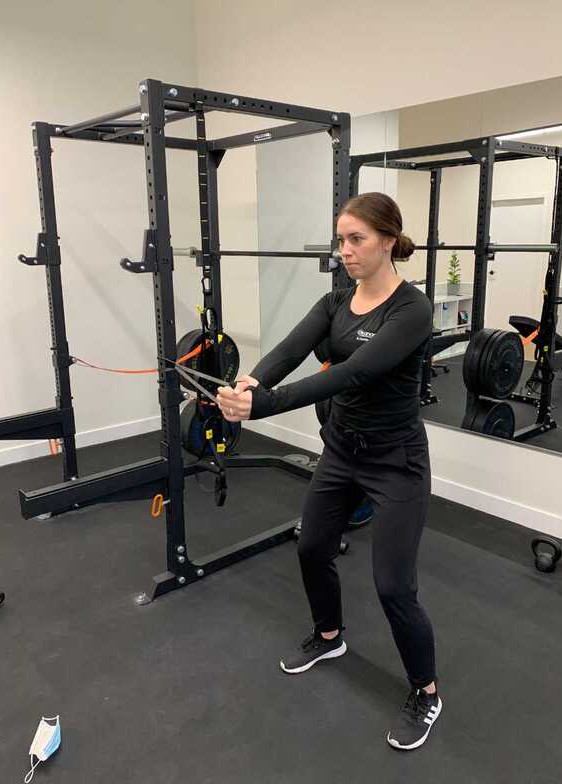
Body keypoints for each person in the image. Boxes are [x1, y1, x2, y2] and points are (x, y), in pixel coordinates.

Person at [215, 192, 440, 751]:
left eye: (356, 239)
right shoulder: (336, 300)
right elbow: (290, 349)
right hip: (342, 450)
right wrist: (251, 382)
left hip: (396, 462)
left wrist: (264, 407)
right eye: (341, 239)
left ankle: (427, 691)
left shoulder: (412, 310)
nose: (345, 250)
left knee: (394, 586)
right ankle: (329, 634)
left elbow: (353, 374)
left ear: (388, 240)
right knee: (312, 547)